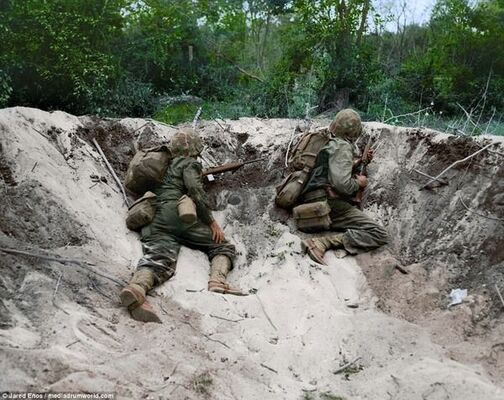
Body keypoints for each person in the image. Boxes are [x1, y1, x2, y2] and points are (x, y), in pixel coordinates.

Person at [120, 128, 243, 323]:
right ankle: (218, 281)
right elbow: (195, 190)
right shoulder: (189, 163)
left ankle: (137, 288)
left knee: (158, 259)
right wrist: (211, 222)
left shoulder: (160, 165)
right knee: (222, 246)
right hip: (177, 215)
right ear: (194, 149)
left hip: (153, 216)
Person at [300, 109, 389, 265]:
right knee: (379, 233)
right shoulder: (342, 147)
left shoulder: (328, 142)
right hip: (327, 204)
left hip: (310, 198)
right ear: (353, 132)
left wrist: (361, 162)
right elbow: (342, 184)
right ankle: (324, 242)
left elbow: (332, 170)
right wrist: (359, 183)